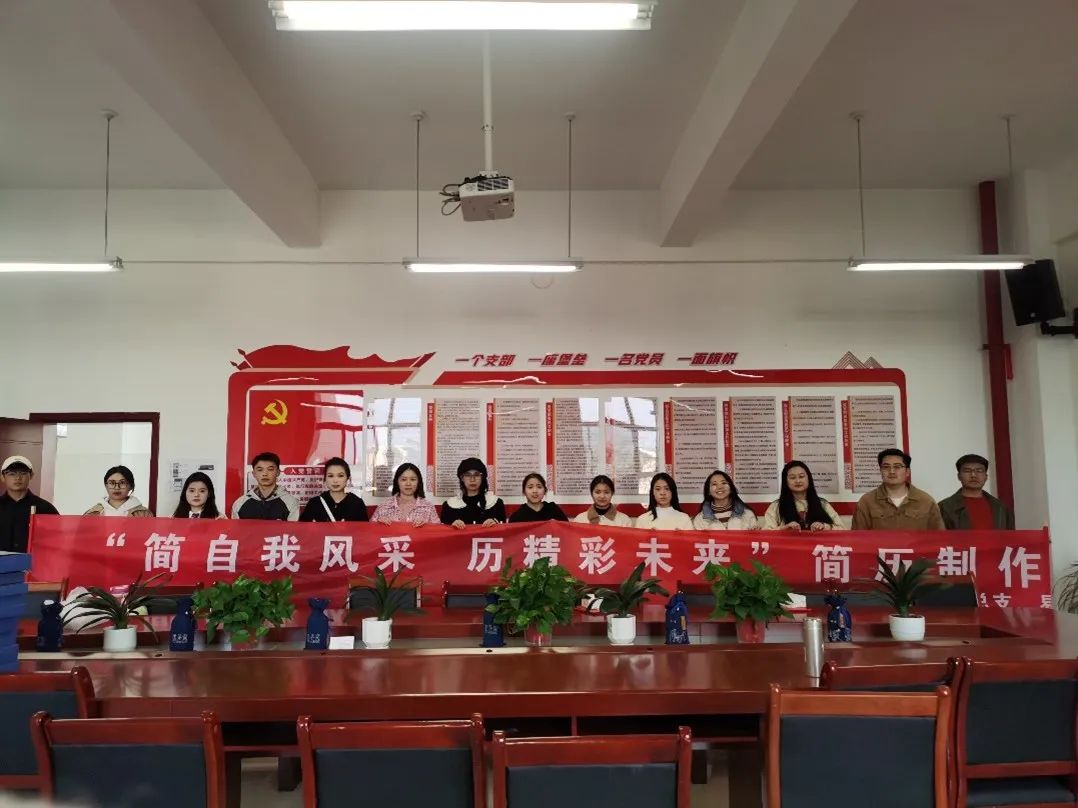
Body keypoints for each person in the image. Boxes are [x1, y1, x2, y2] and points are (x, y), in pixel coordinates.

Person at [852, 448, 945, 530]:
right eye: (886, 467)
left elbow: (939, 538)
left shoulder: (926, 502)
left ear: (907, 472)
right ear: (880, 471)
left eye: (897, 467)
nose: (891, 471)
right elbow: (858, 538)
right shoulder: (867, 502)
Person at [938, 453, 1015, 530]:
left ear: (986, 477)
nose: (973, 475)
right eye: (967, 471)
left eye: (979, 471)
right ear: (959, 476)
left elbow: (1011, 536)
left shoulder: (1001, 508)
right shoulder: (944, 507)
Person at [763, 461, 844, 531]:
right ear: (785, 482)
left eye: (801, 476)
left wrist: (824, 527)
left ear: (809, 478)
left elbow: (843, 529)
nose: (798, 481)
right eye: (792, 478)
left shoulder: (823, 504)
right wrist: (784, 528)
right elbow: (766, 534)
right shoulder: (776, 506)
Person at [0, 455, 59, 553]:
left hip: (35, 562)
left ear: (31, 475)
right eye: (11, 473)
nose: (18, 478)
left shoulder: (46, 508)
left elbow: (58, 540)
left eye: (23, 473)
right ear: (2, 477)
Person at [230, 452, 300, 521]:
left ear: (278, 472)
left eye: (270, 469)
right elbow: (236, 528)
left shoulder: (291, 502)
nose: (265, 474)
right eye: (260, 470)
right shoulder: (239, 503)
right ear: (254, 474)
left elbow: (293, 528)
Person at [441, 457, 506, 528]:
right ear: (462, 478)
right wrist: (451, 525)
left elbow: (504, 530)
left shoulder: (496, 503)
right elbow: (443, 531)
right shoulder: (449, 505)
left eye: (477, 475)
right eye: (468, 475)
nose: (472, 479)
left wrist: (495, 523)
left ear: (482, 477)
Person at [299, 457, 369, 522]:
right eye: (330, 476)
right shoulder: (314, 503)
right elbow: (302, 529)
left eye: (340, 476)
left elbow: (364, 530)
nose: (335, 480)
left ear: (348, 478)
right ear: (325, 479)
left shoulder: (357, 504)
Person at [373, 463, 440, 526]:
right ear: (397, 482)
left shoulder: (428, 507)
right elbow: (370, 529)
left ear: (418, 482)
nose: (408, 483)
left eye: (413, 479)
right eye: (403, 479)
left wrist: (427, 526)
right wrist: (378, 524)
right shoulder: (384, 506)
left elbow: (438, 530)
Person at [693, 470, 759, 531]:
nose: (720, 487)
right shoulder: (700, 519)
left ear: (731, 488)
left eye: (724, 483)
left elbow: (754, 538)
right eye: (714, 484)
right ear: (709, 492)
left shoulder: (747, 514)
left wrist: (755, 532)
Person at [84, 466, 153, 517]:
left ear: (131, 486)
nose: (117, 487)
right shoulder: (92, 513)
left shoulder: (144, 514)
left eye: (122, 483)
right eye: (112, 483)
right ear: (106, 485)